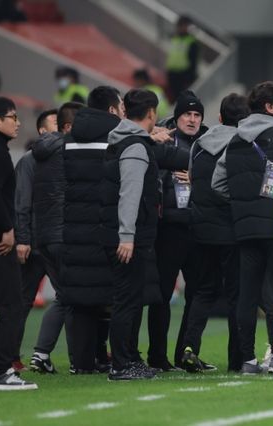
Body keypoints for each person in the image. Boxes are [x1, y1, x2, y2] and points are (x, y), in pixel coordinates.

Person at [212, 81, 273, 375]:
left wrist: (242, 202)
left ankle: (247, 359)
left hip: (244, 227)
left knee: (248, 295)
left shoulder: (234, 140)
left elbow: (217, 184)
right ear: (270, 106)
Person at [180, 93, 250, 372]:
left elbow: (191, 177)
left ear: (219, 117)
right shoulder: (243, 144)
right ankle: (237, 359)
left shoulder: (199, 143)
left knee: (203, 291)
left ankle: (189, 347)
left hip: (200, 228)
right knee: (236, 295)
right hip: (231, 230)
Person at [61, 86, 125, 374]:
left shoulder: (69, 139)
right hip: (105, 226)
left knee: (81, 301)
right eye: (121, 107)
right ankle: (118, 359)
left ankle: (82, 364)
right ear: (111, 109)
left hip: (74, 229)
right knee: (115, 298)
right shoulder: (118, 138)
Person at [100, 89, 163, 381]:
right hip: (128, 237)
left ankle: (130, 359)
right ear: (151, 112)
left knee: (131, 299)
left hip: (123, 233)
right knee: (127, 301)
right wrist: (127, 235)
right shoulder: (136, 147)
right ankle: (122, 364)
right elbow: (130, 193)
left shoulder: (121, 141)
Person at [148, 90, 206, 371]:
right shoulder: (162, 140)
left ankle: (187, 353)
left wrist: (196, 178)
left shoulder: (208, 143)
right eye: (187, 114)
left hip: (198, 228)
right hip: (169, 227)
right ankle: (157, 357)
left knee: (197, 295)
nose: (192, 120)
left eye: (197, 115)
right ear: (177, 116)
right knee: (161, 295)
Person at [28, 102, 84, 373]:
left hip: (45, 235)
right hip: (64, 233)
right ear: (69, 127)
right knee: (72, 298)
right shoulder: (70, 149)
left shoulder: (41, 153)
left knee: (64, 296)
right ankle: (79, 361)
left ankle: (42, 355)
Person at [0, 96, 37, 390]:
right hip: (0, 241)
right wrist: (7, 229)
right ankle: (0, 371)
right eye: (13, 117)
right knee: (11, 305)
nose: (18, 123)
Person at [12, 109, 58, 372]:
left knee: (71, 298)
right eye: (56, 123)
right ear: (42, 130)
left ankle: (45, 355)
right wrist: (23, 238)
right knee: (21, 301)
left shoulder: (62, 158)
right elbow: (22, 202)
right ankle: (9, 356)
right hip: (34, 243)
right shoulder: (29, 161)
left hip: (55, 241)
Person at [166, 16, 199, 101]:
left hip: (184, 75)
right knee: (173, 98)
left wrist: (190, 77)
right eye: (180, 26)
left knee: (183, 98)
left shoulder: (191, 42)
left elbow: (193, 62)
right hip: (172, 73)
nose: (181, 28)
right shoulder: (174, 39)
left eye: (184, 26)